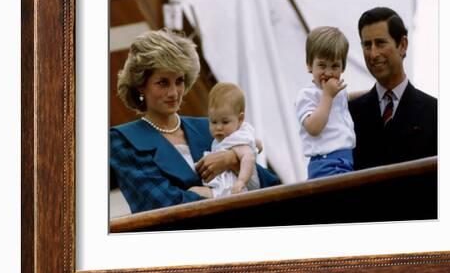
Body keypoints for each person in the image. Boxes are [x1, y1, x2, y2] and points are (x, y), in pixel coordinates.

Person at [110, 29, 280, 213]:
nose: (174, 93)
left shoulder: (211, 127)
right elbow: (165, 205)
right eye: (163, 83)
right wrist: (224, 194)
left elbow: (270, 186)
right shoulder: (123, 140)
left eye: (179, 81)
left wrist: (231, 160)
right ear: (140, 85)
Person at [349, 7, 437, 170]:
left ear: (402, 45)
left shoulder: (435, 113)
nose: (373, 54)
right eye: (367, 45)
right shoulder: (349, 114)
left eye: (380, 43)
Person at [295, 26, 356, 179]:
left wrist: (374, 92)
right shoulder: (307, 95)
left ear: (343, 67)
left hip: (346, 160)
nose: (328, 73)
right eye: (322, 65)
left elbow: (347, 100)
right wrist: (327, 96)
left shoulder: (337, 92)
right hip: (325, 163)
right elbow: (313, 128)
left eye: (335, 66)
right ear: (310, 65)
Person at [204, 82, 260, 197]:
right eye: (213, 122)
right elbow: (258, 144)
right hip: (224, 185)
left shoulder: (236, 138)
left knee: (193, 191)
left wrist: (241, 181)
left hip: (234, 188)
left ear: (240, 119)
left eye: (225, 122)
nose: (218, 127)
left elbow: (248, 157)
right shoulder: (230, 137)